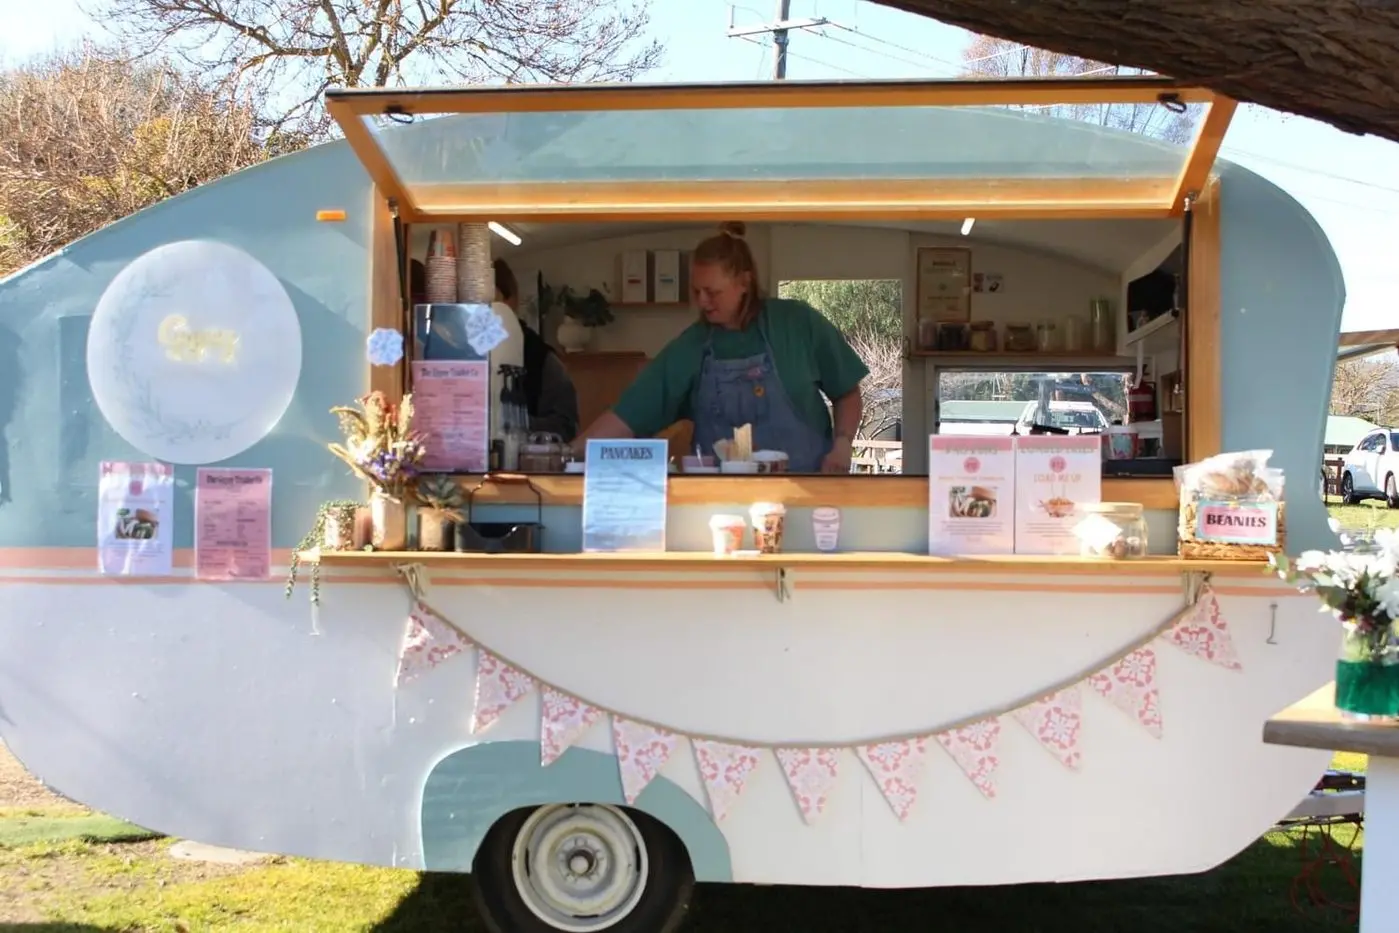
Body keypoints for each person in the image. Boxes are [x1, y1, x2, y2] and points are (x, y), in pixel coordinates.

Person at [571, 222, 867, 473]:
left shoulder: (797, 324)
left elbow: (847, 391)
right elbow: (629, 414)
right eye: (696, 291)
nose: (702, 302)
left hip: (807, 499)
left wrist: (842, 445)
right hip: (719, 511)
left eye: (712, 292)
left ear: (744, 283)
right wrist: (568, 456)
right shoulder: (692, 346)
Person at [493, 258, 581, 442]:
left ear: (510, 301)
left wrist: (512, 425)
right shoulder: (460, 355)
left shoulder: (541, 358)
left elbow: (566, 426)